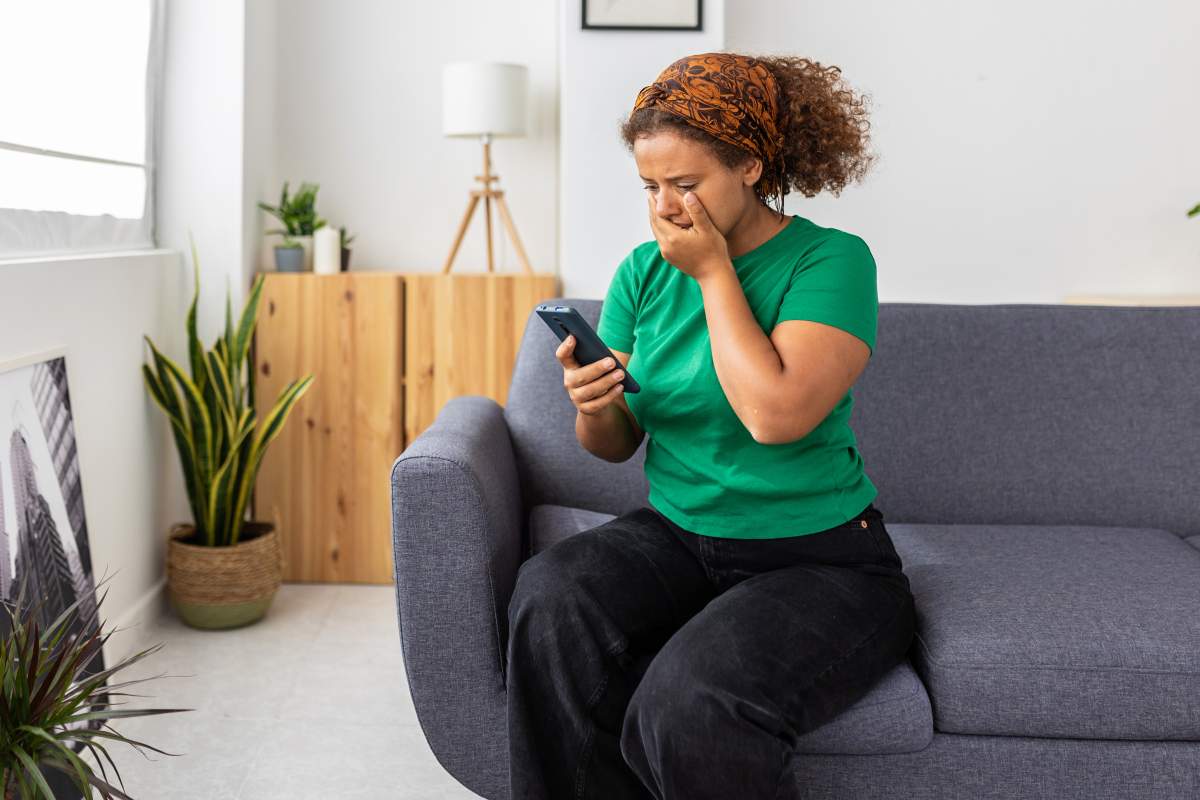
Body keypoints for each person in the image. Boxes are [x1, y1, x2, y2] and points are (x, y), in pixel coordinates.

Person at [506, 51, 915, 800]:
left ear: (751, 167)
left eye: (686, 185)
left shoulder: (830, 262)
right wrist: (595, 404)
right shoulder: (641, 271)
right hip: (683, 538)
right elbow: (615, 447)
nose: (665, 207)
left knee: (689, 703)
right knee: (550, 594)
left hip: (822, 562)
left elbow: (776, 418)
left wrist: (714, 273)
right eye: (651, 186)